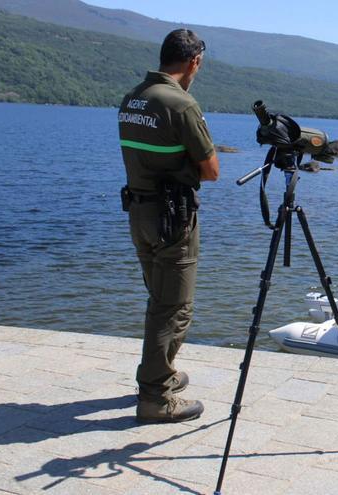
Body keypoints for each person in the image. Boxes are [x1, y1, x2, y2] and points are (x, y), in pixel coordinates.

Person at [119, 29, 219, 423]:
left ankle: (162, 375)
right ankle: (155, 396)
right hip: (172, 218)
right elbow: (211, 171)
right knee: (174, 307)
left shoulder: (132, 99)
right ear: (194, 61)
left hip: (138, 213)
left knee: (159, 300)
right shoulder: (180, 103)